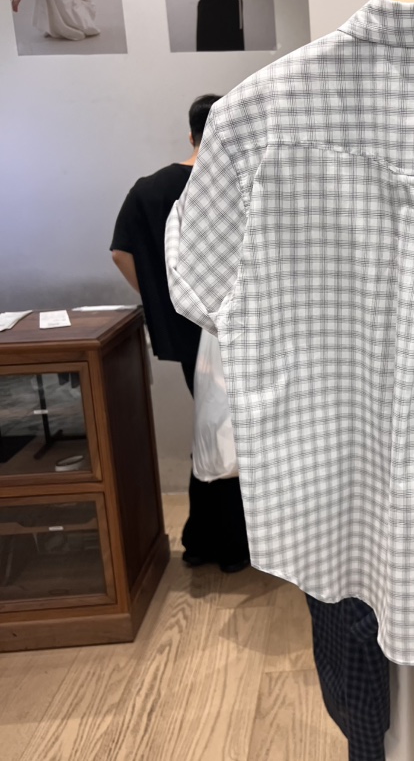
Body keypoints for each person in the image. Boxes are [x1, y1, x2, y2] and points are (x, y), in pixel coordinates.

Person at [111, 95, 250, 573]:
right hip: (235, 328)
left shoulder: (149, 190)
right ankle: (229, 545)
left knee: (212, 424)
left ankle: (202, 540)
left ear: (190, 134)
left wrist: (160, 298)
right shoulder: (237, 184)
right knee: (228, 428)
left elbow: (120, 253)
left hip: (182, 329)